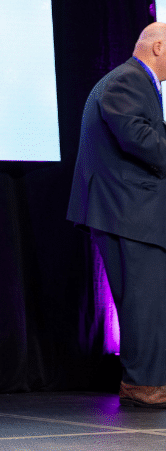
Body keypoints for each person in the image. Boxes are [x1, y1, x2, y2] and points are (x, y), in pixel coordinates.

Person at [67, 22, 166, 409]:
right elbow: (137, 137)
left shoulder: (136, 81)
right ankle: (144, 383)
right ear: (158, 47)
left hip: (130, 211)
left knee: (147, 299)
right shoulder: (127, 80)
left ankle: (146, 379)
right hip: (126, 211)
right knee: (143, 300)